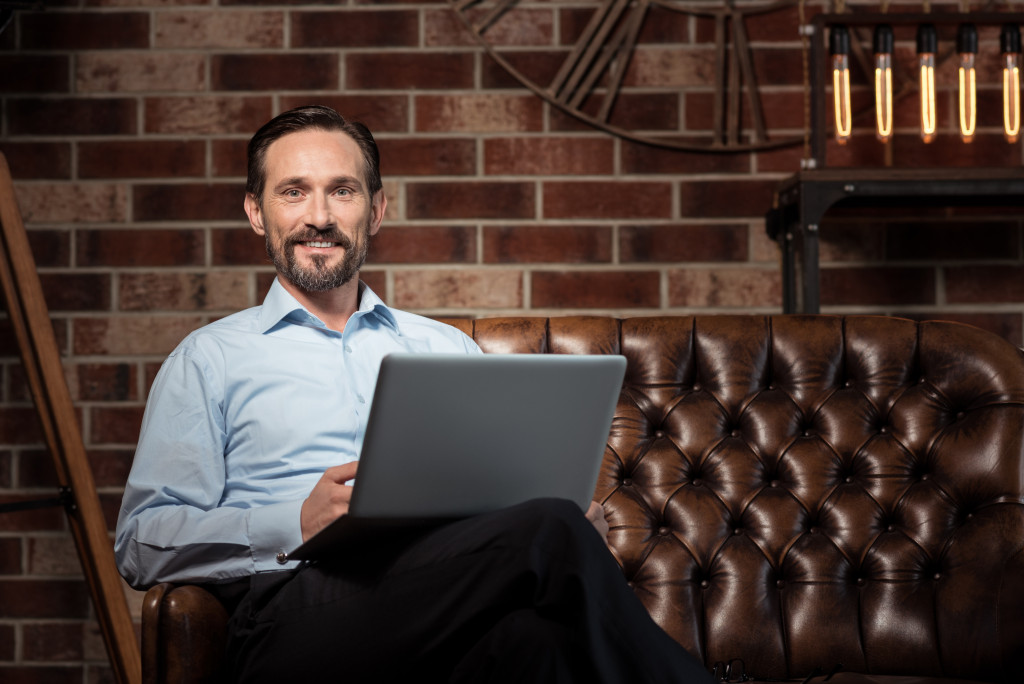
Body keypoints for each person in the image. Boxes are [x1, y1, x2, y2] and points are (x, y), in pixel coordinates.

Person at [115, 105, 712, 683]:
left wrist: (570, 519)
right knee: (552, 532)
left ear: (375, 210)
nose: (318, 215)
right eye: (293, 191)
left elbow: (507, 493)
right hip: (292, 617)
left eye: (342, 191)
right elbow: (141, 544)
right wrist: (291, 523)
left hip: (448, 597)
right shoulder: (209, 358)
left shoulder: (444, 348)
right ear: (255, 210)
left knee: (539, 640)